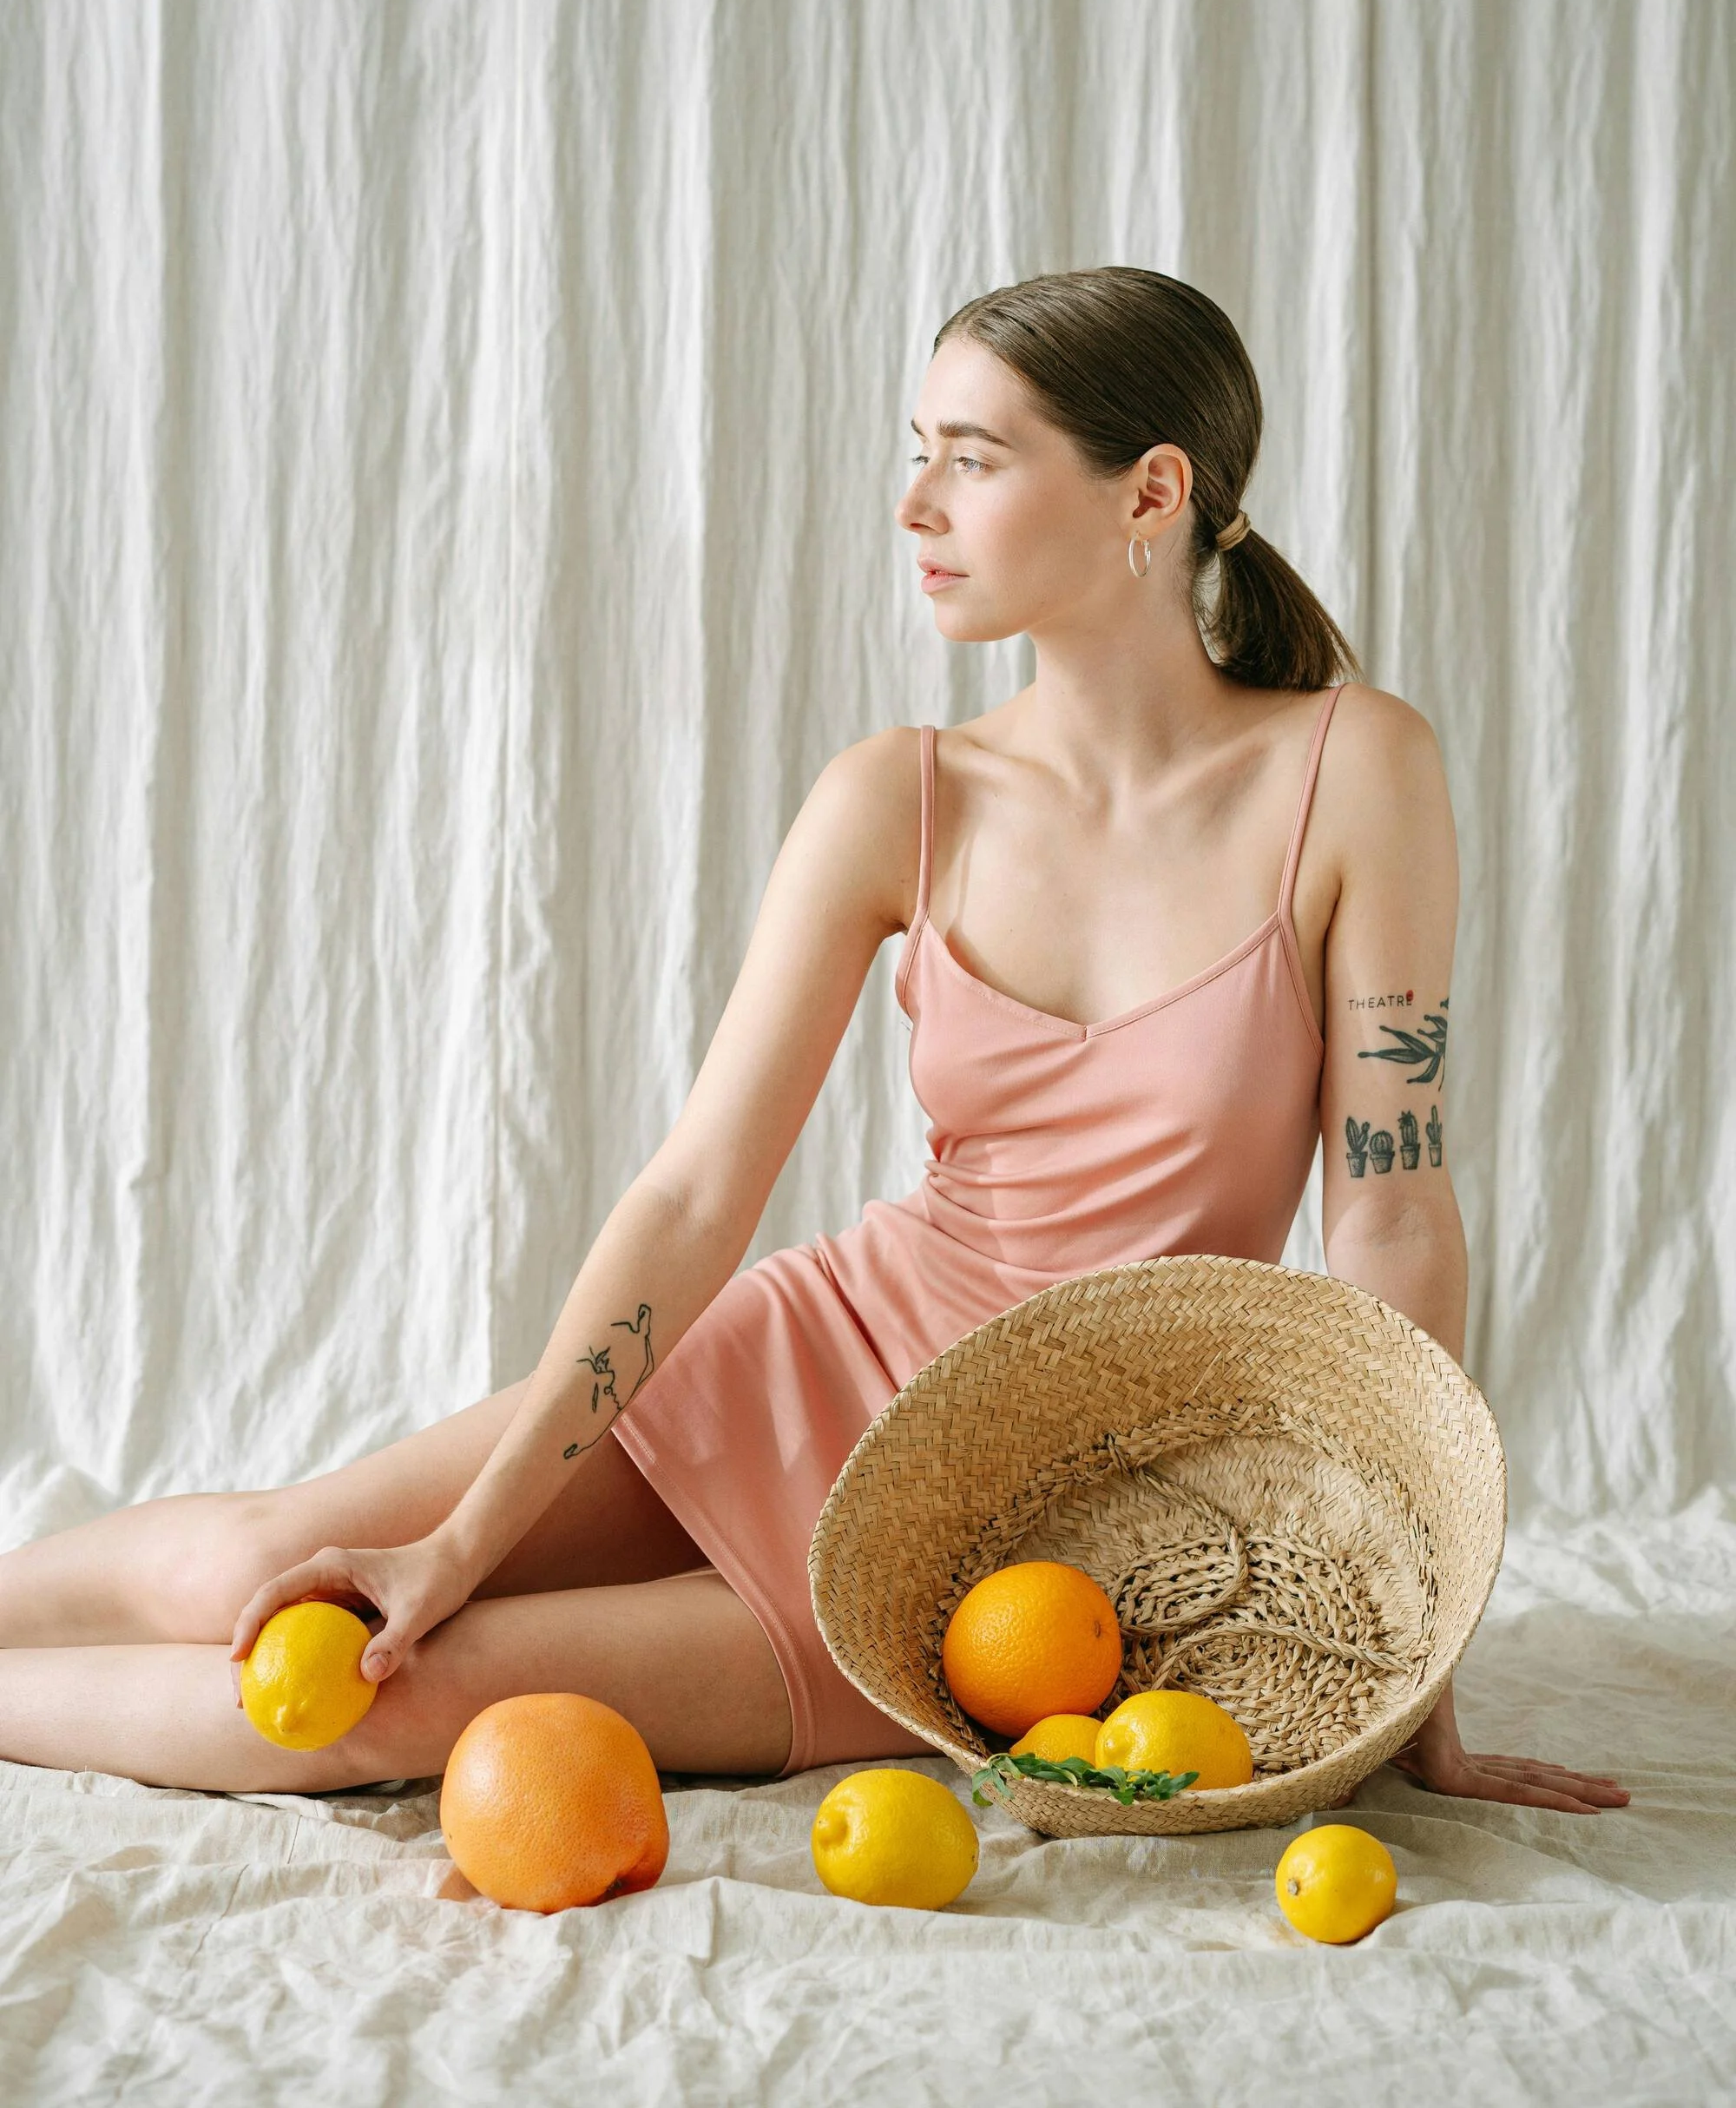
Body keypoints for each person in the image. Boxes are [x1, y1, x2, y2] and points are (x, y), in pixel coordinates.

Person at [0, 267, 1627, 1816]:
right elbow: (697, 1192)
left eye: (972, 461)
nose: (915, 506)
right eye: (918, 454)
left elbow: (1394, 1214)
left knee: (378, 1701)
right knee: (258, 1570)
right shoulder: (901, 797)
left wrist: (1419, 1644)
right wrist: (464, 1538)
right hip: (819, 1351)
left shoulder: (1356, 769)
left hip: (1032, 1533)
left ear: (1151, 494)